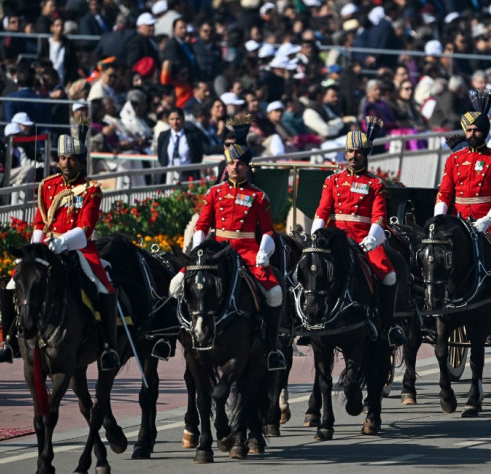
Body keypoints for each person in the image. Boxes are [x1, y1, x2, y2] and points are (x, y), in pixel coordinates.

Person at [0, 122, 121, 369]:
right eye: (63, 158)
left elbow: (86, 228)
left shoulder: (91, 190)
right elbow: (40, 220)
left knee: (103, 288)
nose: (66, 163)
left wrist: (62, 241)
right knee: (13, 281)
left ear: (81, 161)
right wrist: (34, 248)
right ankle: (9, 341)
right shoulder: (48, 185)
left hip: (77, 248)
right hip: (45, 246)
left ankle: (108, 347)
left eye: (72, 159)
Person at [172, 115, 286, 371]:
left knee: (276, 292)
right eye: (231, 163)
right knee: (176, 284)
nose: (235, 167)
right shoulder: (215, 192)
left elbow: (269, 231)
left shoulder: (258, 196)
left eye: (240, 164)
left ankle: (271, 348)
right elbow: (201, 225)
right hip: (216, 251)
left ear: (247, 167)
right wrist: (198, 250)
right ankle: (173, 338)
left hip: (247, 251)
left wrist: (264, 253)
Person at [311, 118, 407, 347]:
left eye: (359, 152)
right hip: (336, 241)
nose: (353, 156)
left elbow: (379, 217)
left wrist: (372, 239)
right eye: (350, 151)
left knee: (389, 275)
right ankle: (309, 319)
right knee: (310, 271)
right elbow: (322, 212)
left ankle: (387, 325)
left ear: (366, 155)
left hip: (365, 241)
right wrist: (316, 236)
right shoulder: (332, 181)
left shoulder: (375, 184)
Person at [434, 89, 491, 245]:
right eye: (469, 130)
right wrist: (439, 219)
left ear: (484, 132)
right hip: (458, 221)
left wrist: (488, 219)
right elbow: (444, 193)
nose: (472, 134)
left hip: (489, 220)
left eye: (476, 130)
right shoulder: (454, 159)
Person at [156, 107, 204, 184]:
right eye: (172, 119)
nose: (175, 122)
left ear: (183, 119)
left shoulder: (193, 135)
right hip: (169, 172)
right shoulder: (163, 136)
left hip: (187, 172)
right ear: (168, 120)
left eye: (178, 119)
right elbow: (160, 155)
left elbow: (198, 155)